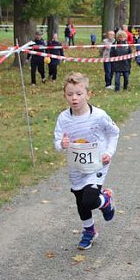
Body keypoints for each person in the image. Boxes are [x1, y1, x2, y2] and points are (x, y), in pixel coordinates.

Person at [53, 72, 119, 250]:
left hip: (98, 164)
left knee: (90, 199)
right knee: (80, 200)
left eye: (79, 94)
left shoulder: (98, 115)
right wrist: (62, 144)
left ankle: (104, 200)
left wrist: (109, 153)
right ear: (65, 96)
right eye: (70, 94)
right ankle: (89, 231)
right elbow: (57, 143)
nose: (74, 98)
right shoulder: (63, 118)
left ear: (88, 94)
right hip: (77, 167)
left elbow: (114, 132)